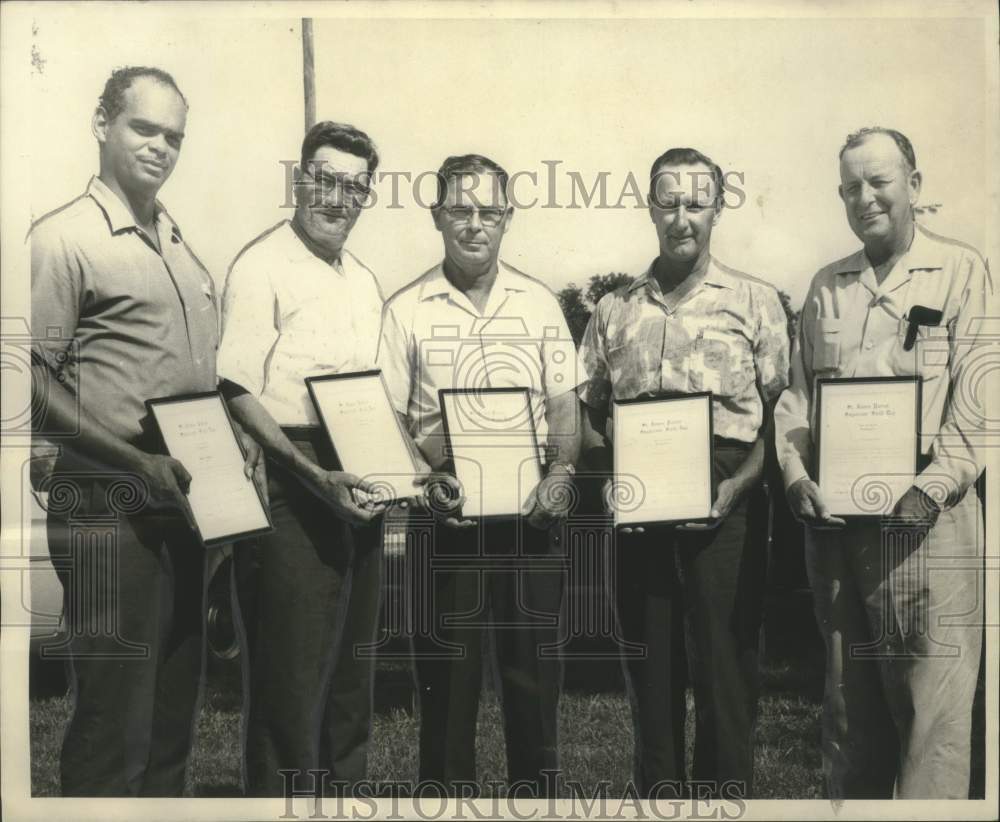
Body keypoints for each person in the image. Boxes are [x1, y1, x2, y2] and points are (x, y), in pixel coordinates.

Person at [30, 66, 260, 796]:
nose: (161, 147)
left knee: (170, 724)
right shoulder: (63, 238)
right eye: (144, 128)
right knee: (114, 727)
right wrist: (132, 460)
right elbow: (24, 380)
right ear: (102, 124)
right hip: (108, 506)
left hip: (184, 501)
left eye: (174, 137)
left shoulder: (182, 245)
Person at [773, 127, 991, 799]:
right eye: (850, 187)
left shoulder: (961, 271)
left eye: (879, 182)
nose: (864, 198)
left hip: (928, 531)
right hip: (838, 537)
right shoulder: (826, 286)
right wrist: (797, 476)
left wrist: (931, 488)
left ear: (915, 186)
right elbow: (797, 398)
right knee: (848, 726)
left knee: (935, 730)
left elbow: (983, 405)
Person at [576, 147, 790, 798]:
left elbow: (782, 419)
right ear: (650, 207)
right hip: (640, 499)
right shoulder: (613, 308)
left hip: (727, 493)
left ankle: (726, 804)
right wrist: (610, 481)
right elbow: (590, 415)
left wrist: (738, 486)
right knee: (651, 669)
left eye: (696, 202)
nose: (681, 216)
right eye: (668, 202)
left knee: (725, 671)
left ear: (718, 209)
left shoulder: (755, 301)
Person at [377, 154, 581, 795]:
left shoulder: (541, 302)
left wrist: (563, 472)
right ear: (437, 216)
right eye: (460, 211)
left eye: (488, 212)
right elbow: (387, 418)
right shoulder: (405, 309)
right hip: (449, 525)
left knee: (534, 690)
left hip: (532, 520)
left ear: (508, 219)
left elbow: (564, 408)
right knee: (445, 694)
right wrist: (425, 478)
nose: (474, 225)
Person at [216, 121, 388, 797]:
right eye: (324, 179)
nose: (337, 198)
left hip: (361, 478)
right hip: (295, 479)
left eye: (354, 186)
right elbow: (236, 391)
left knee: (351, 679)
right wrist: (313, 474)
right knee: (291, 682)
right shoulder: (260, 266)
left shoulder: (365, 279)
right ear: (299, 179)